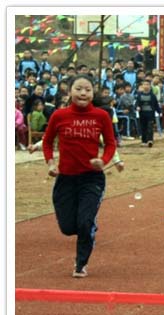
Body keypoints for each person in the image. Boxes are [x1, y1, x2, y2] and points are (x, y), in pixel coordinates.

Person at [41, 74, 117, 278]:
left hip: (91, 179)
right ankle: (87, 224)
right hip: (65, 178)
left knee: (84, 222)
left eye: (88, 90)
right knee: (67, 228)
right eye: (78, 89)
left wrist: (104, 160)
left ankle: (80, 264)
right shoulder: (59, 116)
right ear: (69, 91)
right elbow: (47, 142)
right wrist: (50, 162)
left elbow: (111, 143)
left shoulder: (101, 116)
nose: (83, 93)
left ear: (93, 93)